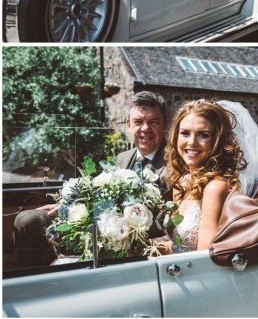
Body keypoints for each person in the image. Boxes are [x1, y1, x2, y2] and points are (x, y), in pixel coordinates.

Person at [12, 91, 170, 267]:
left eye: (153, 122)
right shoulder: (123, 158)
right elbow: (102, 196)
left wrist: (143, 246)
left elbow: (171, 226)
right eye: (138, 122)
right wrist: (67, 206)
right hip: (97, 229)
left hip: (127, 243)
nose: (145, 128)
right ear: (128, 125)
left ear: (165, 125)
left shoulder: (173, 165)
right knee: (28, 220)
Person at [157, 99, 258, 254]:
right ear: (175, 137)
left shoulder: (215, 188)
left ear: (217, 141)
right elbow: (181, 246)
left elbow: (202, 256)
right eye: (185, 133)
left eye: (203, 135)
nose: (192, 142)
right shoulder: (182, 182)